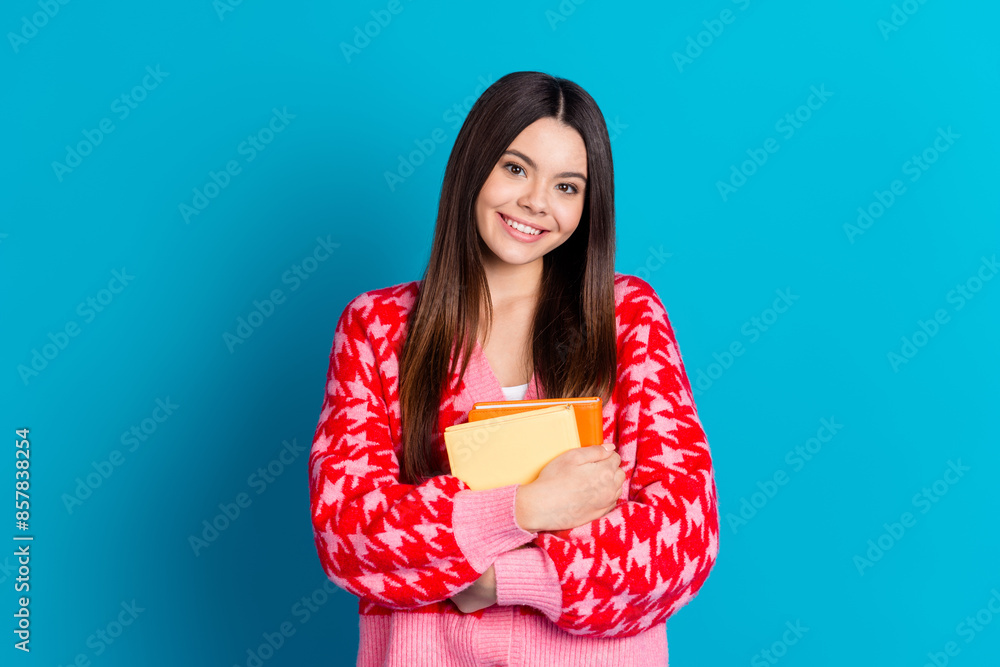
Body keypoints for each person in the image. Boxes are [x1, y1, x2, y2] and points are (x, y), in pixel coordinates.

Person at [308, 70, 719, 666]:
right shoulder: (377, 327)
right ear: (473, 167)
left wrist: (500, 580)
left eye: (568, 186)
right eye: (516, 168)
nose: (536, 202)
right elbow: (350, 534)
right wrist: (528, 506)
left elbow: (683, 537)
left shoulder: (626, 316)